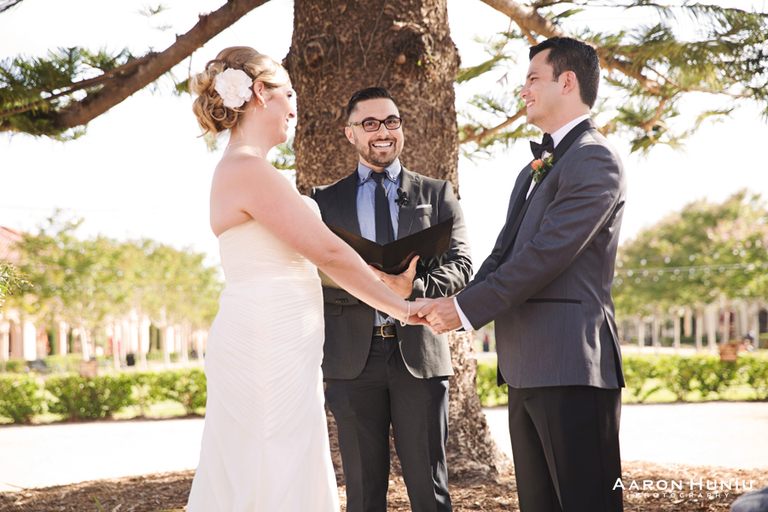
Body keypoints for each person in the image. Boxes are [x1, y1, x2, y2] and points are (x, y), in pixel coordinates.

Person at [186, 48, 425, 512]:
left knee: (276, 459)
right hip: (265, 343)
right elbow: (330, 254)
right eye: (289, 92)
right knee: (274, 460)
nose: (295, 106)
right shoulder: (250, 170)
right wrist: (405, 309)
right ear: (260, 93)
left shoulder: (245, 169)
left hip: (277, 341)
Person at [417, 37, 627, 512]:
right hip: (525, 367)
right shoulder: (532, 170)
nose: (523, 89)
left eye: (533, 78)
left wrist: (465, 311)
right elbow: (504, 255)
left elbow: (544, 256)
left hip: (573, 366)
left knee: (587, 503)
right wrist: (446, 299)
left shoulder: (595, 159)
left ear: (567, 82)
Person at [311, 87, 472, 512]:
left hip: (419, 355)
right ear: (350, 134)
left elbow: (462, 265)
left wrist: (413, 289)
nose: (383, 132)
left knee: (430, 489)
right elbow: (307, 271)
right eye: (370, 123)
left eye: (391, 122)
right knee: (363, 493)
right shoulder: (322, 201)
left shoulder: (437, 193)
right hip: (351, 358)